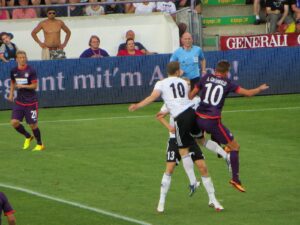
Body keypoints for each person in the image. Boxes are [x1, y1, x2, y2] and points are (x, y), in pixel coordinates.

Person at [189, 60, 269, 192]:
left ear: (215, 70)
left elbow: (191, 95)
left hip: (198, 118)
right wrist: (259, 88)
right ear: (226, 72)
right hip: (212, 121)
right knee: (235, 147)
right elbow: (248, 93)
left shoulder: (206, 77)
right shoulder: (228, 83)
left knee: (200, 140)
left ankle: (221, 150)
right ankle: (235, 179)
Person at [129, 61, 202, 201]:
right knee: (199, 140)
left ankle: (193, 181)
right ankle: (221, 152)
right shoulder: (183, 82)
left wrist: (137, 105)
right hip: (191, 114)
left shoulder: (161, 83)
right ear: (177, 71)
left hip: (180, 117)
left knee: (182, 149)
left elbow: (152, 98)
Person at [156, 102, 225, 213]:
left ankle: (213, 200)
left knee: (203, 167)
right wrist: (169, 127)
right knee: (169, 169)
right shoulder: (171, 100)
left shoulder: (195, 100)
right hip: (174, 140)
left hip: (190, 139)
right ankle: (161, 201)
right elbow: (159, 116)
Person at [8, 50, 45, 151]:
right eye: (20, 57)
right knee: (14, 122)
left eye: (24, 57)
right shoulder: (14, 71)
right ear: (16, 59)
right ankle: (28, 136)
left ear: (26, 58)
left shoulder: (31, 70)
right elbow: (12, 82)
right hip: (19, 101)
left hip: (31, 102)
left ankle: (40, 144)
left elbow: (35, 85)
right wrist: (11, 94)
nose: (22, 59)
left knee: (33, 124)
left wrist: (22, 86)